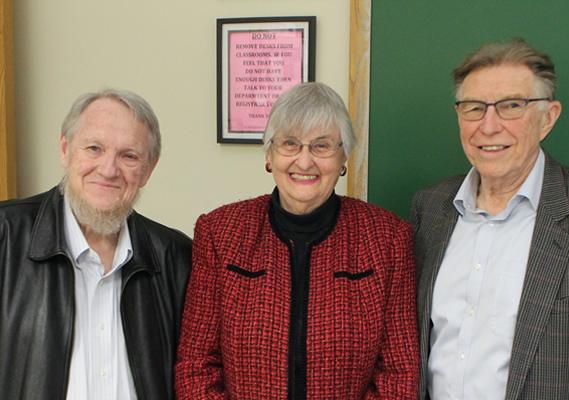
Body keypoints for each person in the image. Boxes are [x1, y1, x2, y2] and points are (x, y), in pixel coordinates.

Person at [176, 82, 419, 399]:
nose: (304, 162)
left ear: (343, 157)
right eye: (290, 144)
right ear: (269, 155)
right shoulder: (220, 233)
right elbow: (196, 367)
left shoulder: (387, 239)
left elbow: (399, 373)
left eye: (321, 146)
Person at [411, 38, 569, 400]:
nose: (489, 126)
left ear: (548, 117)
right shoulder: (431, 207)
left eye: (511, 106)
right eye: (474, 108)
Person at [0, 89, 191, 399]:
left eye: (128, 155)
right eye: (94, 148)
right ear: (65, 149)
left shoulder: (176, 258)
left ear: (149, 168)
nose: (108, 169)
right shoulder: (5, 236)